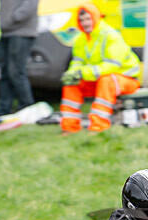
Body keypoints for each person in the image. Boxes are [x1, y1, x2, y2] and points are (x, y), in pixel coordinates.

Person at [60, 3, 140, 133]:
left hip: (127, 80)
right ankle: (69, 128)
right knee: (71, 84)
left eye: (88, 19)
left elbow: (113, 66)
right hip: (99, 79)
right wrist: (71, 74)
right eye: (81, 20)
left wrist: (83, 73)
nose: (85, 23)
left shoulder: (111, 35)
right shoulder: (81, 39)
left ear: (96, 18)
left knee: (106, 81)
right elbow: (77, 62)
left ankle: (98, 127)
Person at [0, 0, 37, 116]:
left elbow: (28, 7)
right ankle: (4, 110)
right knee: (5, 72)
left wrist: (10, 19)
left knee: (16, 72)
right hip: (3, 32)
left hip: (21, 32)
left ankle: (26, 108)